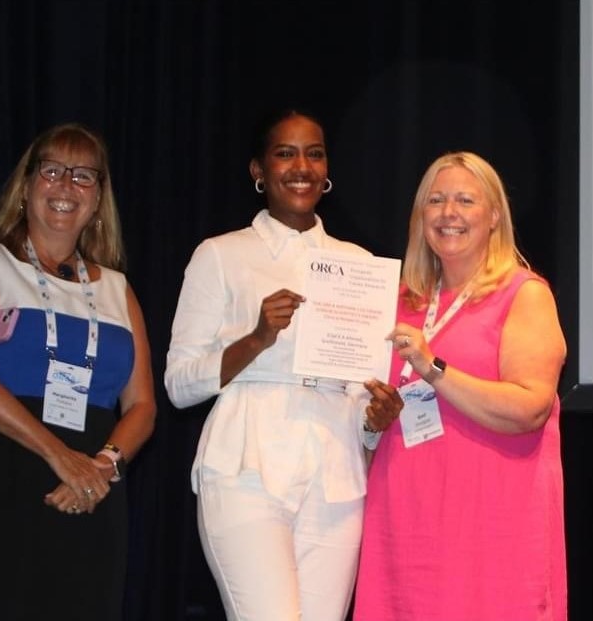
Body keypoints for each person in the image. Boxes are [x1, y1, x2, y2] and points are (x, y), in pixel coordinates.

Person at [164, 108, 402, 621]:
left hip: (336, 475)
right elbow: (180, 384)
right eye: (285, 152)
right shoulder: (222, 255)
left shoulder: (360, 265)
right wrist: (257, 337)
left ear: (327, 169)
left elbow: (363, 389)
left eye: (314, 153)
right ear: (258, 170)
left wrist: (375, 421)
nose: (302, 166)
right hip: (246, 466)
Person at [0, 123, 157, 621]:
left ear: (99, 199)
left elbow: (142, 405)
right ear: (27, 185)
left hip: (91, 492)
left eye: (83, 176)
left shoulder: (119, 288)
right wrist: (60, 456)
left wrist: (99, 470)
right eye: (52, 170)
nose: (65, 186)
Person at [353, 151, 567, 621]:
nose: (449, 213)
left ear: (493, 216)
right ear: (419, 215)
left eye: (465, 200)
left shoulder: (524, 294)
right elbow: (368, 419)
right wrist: (371, 425)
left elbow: (530, 407)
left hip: (492, 533)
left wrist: (433, 368)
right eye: (435, 200)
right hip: (404, 529)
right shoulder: (395, 301)